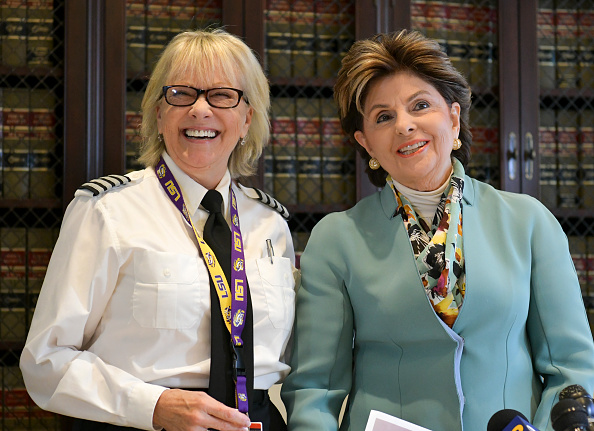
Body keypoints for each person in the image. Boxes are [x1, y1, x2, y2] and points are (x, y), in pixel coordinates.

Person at [281, 29, 594, 431]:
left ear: (453, 117)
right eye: (383, 117)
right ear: (366, 144)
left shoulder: (528, 221)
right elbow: (315, 391)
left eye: (420, 105)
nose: (404, 126)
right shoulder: (336, 238)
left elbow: (572, 369)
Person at [20, 28, 297, 431]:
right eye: (182, 93)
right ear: (158, 113)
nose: (201, 110)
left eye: (221, 95)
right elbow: (46, 360)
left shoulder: (271, 224)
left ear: (246, 119)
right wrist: (152, 405)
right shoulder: (107, 212)